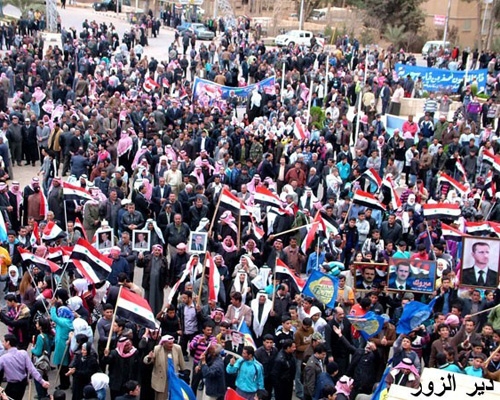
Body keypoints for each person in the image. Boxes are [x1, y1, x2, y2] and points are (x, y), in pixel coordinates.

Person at [0, 334, 50, 400]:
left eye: (3, 341)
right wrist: (42, 381)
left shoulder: (3, 358)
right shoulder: (23, 353)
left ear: (8, 342)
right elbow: (32, 369)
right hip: (22, 384)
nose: (2, 343)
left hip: (13, 385)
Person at [143, 335, 185, 400]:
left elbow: (181, 363)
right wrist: (149, 357)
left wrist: (184, 372)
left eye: (172, 343)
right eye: (169, 344)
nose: (171, 345)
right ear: (164, 343)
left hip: (173, 379)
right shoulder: (157, 349)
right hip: (161, 380)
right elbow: (147, 360)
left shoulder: (177, 348)